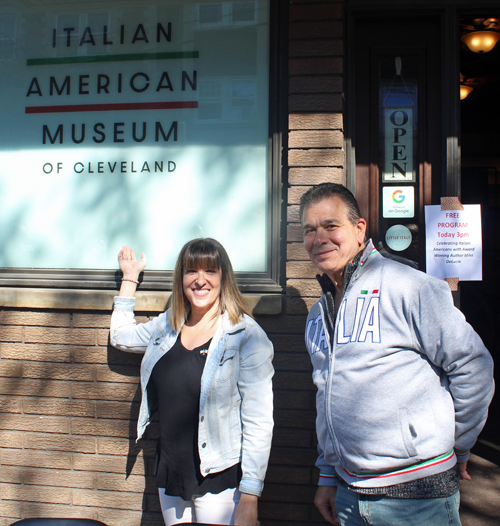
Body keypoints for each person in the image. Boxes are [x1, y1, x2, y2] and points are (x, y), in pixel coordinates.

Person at [300, 183, 494, 526]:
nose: (319, 239)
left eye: (331, 226)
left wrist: (458, 444)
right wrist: (328, 475)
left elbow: (472, 366)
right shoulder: (318, 314)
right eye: (310, 230)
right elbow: (326, 395)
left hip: (417, 498)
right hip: (348, 493)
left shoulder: (411, 286)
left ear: (359, 230)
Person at [110, 238, 274, 526]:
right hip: (171, 471)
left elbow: (259, 421)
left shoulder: (246, 335)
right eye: (191, 272)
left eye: (210, 271)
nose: (200, 280)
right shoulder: (167, 326)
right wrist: (129, 278)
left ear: (224, 277)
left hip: (219, 475)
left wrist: (250, 495)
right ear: (181, 278)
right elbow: (121, 336)